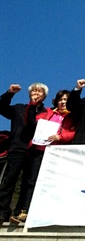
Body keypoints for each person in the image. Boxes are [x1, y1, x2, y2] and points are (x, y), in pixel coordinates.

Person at [9, 90, 76, 223]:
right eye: (61, 99)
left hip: (58, 153)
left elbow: (74, 132)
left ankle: (46, 212)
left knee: (51, 182)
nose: (63, 102)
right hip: (39, 150)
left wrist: (60, 137)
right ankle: (23, 211)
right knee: (30, 181)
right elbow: (32, 122)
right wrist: (33, 104)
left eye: (66, 100)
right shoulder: (47, 112)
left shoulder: (73, 117)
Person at [0, 83, 49, 223]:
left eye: (39, 92)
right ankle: (2, 211)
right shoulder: (18, 108)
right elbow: (2, 107)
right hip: (17, 148)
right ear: (29, 94)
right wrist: (9, 93)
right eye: (34, 91)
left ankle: (20, 212)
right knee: (9, 180)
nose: (36, 93)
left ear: (44, 96)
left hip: (34, 151)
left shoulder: (47, 113)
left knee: (29, 182)